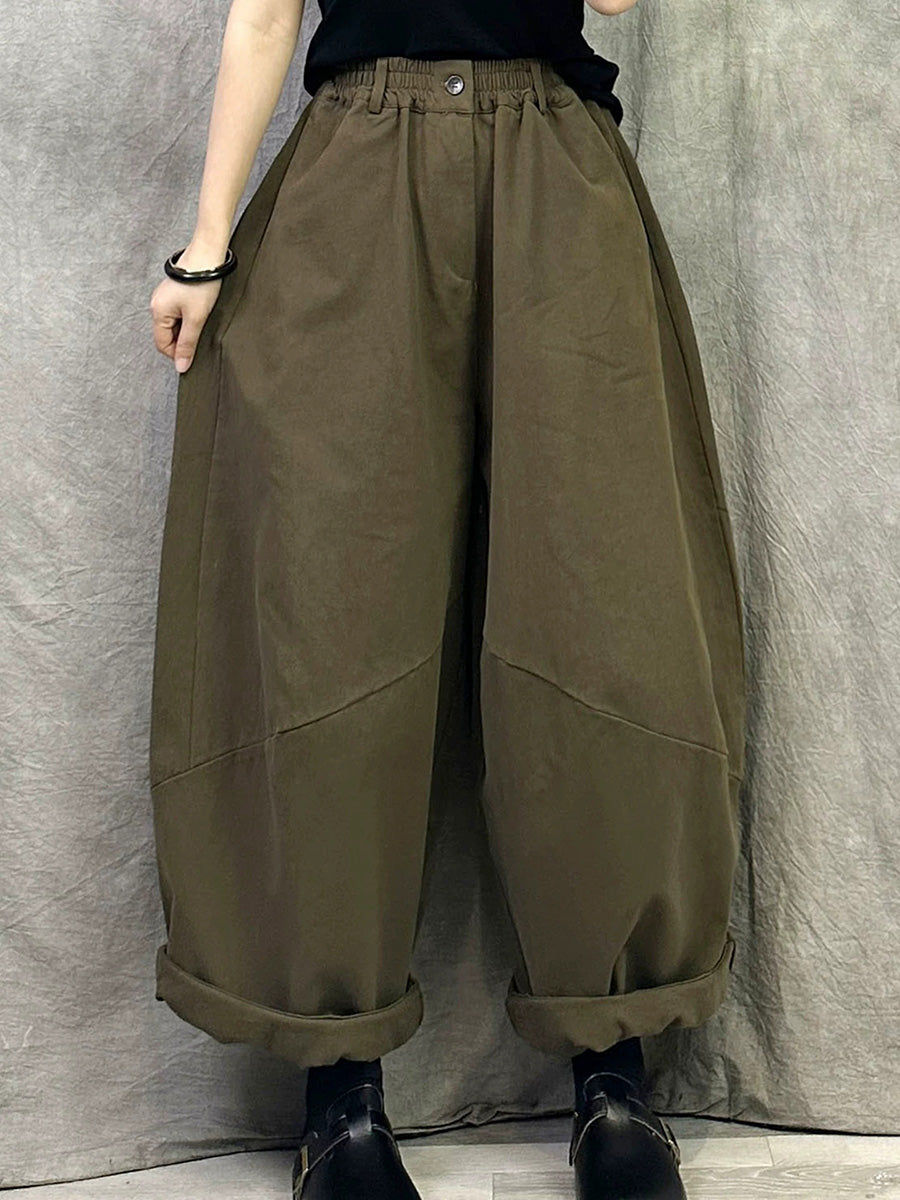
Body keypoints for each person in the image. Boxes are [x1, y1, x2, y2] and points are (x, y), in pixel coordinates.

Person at [148, 1, 748, 1198]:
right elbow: (264, 14)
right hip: (356, 174)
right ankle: (340, 1099)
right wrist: (207, 243)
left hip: (556, 172)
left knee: (603, 616)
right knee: (330, 619)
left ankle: (614, 1076)